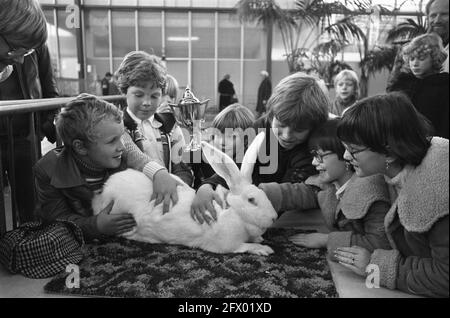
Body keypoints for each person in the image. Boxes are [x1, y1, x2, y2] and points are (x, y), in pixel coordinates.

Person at [334, 92, 448, 298]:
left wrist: (375, 267)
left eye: (353, 150)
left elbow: (445, 277)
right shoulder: (392, 175)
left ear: (389, 152)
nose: (345, 156)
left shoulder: (439, 191)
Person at [34, 94, 180, 240]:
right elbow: (56, 221)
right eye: (112, 141)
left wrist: (158, 172)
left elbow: (132, 151)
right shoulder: (48, 171)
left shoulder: (120, 152)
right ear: (80, 147)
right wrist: (96, 225)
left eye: (121, 137)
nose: (121, 146)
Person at [259, 119, 391, 257]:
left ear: (345, 153)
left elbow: (380, 243)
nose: (314, 162)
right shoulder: (329, 186)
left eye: (320, 156)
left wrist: (326, 240)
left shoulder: (372, 193)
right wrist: (259, 193)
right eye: (314, 156)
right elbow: (299, 193)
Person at [0, 0, 59, 223]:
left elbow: (48, 82)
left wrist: (48, 120)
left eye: (27, 51)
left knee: (32, 205)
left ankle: (31, 249)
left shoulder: (34, 41)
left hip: (26, 134)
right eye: (15, 49)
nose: (19, 59)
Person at [115, 51, 193, 186]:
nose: (147, 102)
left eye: (154, 96)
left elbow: (181, 166)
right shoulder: (118, 126)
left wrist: (181, 188)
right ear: (124, 91)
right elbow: (131, 156)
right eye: (139, 95)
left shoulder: (171, 125)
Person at [252, 73, 329, 186]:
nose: (287, 135)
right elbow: (233, 165)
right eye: (281, 125)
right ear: (272, 115)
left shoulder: (313, 151)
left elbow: (290, 191)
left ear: (314, 127)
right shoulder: (258, 128)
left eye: (299, 130)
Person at [190, 103, 255, 224]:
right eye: (218, 135)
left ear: (246, 140)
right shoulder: (205, 152)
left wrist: (206, 186)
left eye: (232, 137)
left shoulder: (246, 163)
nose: (223, 142)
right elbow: (185, 169)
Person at [388, 33, 449, 138]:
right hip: (400, 142)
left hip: (434, 143)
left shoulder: (444, 86)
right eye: (411, 59)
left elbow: (445, 123)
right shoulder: (401, 85)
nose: (415, 64)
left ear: (435, 59)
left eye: (421, 58)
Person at [386, 0, 449, 90]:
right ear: (427, 18)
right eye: (433, 15)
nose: (437, 20)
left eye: (444, 14)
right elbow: (392, 89)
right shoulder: (410, 50)